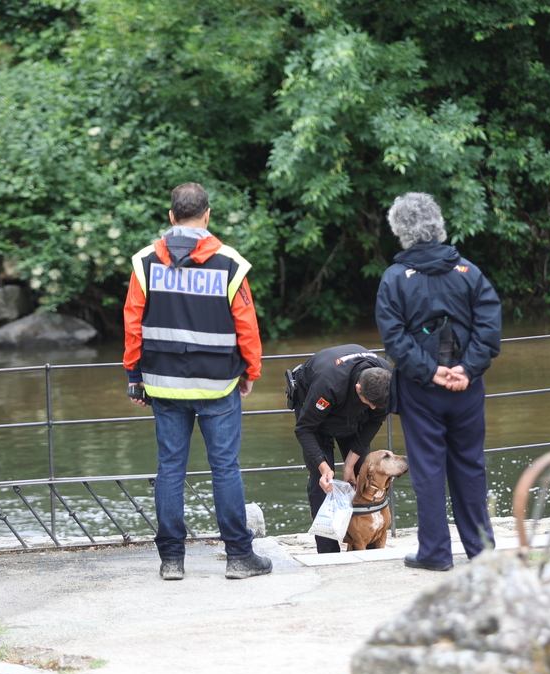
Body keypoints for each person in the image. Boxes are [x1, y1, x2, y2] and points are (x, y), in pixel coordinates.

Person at [123, 182, 271, 581]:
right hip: (218, 384)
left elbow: (133, 322)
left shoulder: (145, 262)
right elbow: (247, 324)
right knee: (225, 468)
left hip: (164, 386)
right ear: (207, 215)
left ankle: (171, 560)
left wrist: (135, 376)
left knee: (170, 468)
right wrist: (250, 372)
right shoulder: (229, 263)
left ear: (171, 217)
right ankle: (239, 557)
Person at [375, 192, 502, 571]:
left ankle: (435, 553)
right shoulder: (468, 272)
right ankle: (482, 552)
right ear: (438, 225)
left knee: (428, 470)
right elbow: (489, 326)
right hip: (466, 387)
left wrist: (431, 371)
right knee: (470, 465)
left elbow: (394, 339)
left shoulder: (394, 279)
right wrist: (467, 368)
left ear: (400, 231)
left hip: (421, 391)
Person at [289, 344, 392, 553]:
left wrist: (351, 464)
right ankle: (328, 551)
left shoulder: (387, 382)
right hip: (315, 417)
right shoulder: (328, 383)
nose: (374, 408)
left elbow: (374, 421)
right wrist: (324, 467)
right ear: (358, 388)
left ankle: (370, 545)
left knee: (364, 473)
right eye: (370, 403)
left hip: (355, 418)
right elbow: (304, 429)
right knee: (323, 484)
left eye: (377, 405)